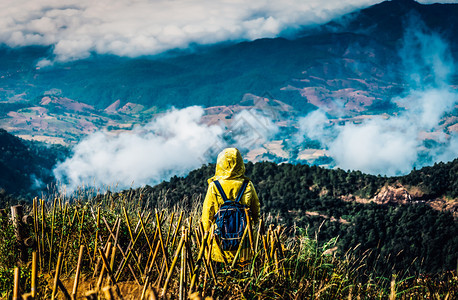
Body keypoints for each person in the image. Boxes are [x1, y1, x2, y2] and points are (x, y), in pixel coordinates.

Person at [201, 147, 260, 264]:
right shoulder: (247, 185)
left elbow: (207, 214)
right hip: (244, 246)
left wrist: (206, 237)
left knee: (220, 279)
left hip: (220, 246)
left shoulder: (214, 186)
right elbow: (255, 210)